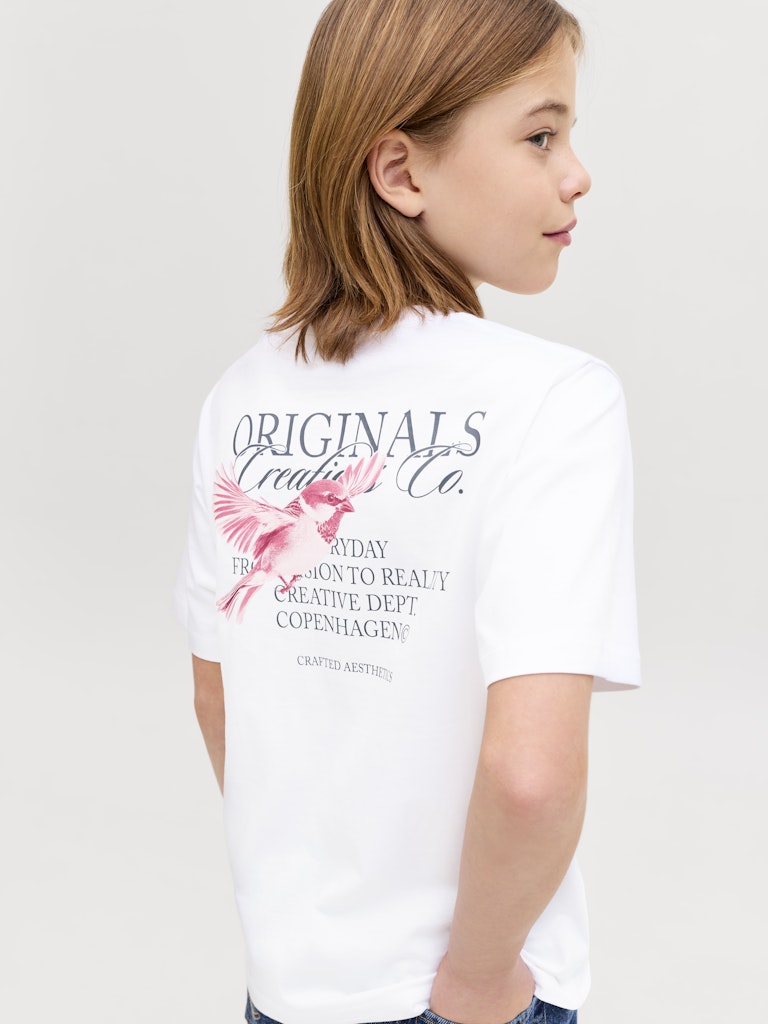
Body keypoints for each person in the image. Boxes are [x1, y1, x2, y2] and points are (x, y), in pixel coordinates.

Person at [174, 1, 641, 1022]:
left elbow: (220, 701)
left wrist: (304, 915)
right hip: (462, 992)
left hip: (291, 986)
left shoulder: (240, 398)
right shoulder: (554, 401)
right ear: (400, 171)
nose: (577, 174)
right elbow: (531, 775)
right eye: (540, 136)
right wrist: (476, 980)